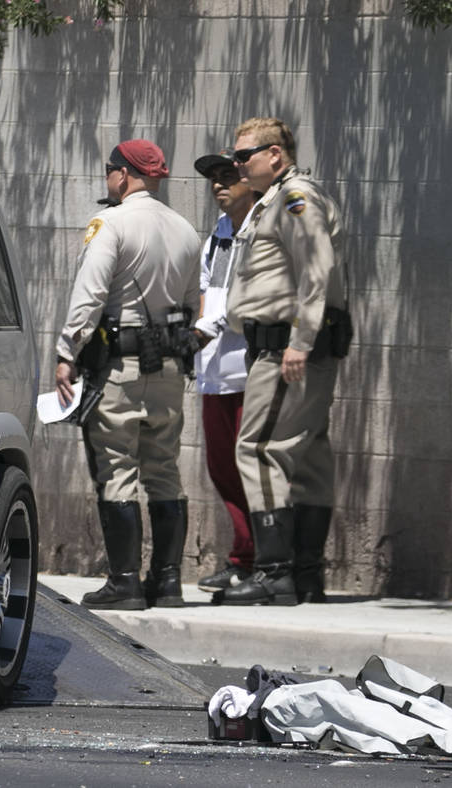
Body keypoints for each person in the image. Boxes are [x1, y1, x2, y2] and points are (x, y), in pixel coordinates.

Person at [55, 139, 200, 610]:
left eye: (109, 171)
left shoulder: (111, 223)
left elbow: (90, 296)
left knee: (116, 468)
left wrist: (67, 352)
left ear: (124, 174)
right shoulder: (185, 230)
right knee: (163, 470)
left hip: (121, 366)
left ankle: (125, 582)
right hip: (169, 365)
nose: (107, 179)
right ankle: (170, 581)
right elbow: (194, 302)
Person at [216, 117, 352, 606]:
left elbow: (317, 264)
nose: (236, 164)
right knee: (309, 451)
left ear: (275, 154)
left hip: (287, 350)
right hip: (290, 346)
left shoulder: (295, 198)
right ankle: (307, 574)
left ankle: (275, 572)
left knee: (257, 448)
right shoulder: (274, 202)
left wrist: (299, 339)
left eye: (243, 155)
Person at [190, 150, 258, 593]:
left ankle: (254, 559)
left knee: (248, 466)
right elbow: (205, 292)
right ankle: (243, 556)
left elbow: (244, 296)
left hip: (248, 367)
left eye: (228, 175)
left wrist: (203, 330)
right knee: (220, 466)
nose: (219, 184)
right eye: (214, 177)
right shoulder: (218, 232)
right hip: (214, 367)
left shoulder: (259, 231)